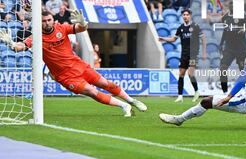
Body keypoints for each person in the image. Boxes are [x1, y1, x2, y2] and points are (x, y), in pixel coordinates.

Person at [0, 11, 147, 117]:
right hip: (65, 76)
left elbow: (80, 29)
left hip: (79, 65)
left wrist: (82, 22)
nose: (46, 23)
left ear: (53, 19)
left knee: (105, 83)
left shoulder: (61, 29)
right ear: (40, 22)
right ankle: (124, 106)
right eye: (43, 21)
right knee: (92, 92)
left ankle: (132, 100)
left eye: (49, 20)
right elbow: (21, 47)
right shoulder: (36, 37)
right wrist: (12, 43)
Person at [159, 9, 206, 103]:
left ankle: (196, 91)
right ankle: (180, 96)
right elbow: (173, 39)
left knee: (190, 74)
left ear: (190, 16)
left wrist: (204, 53)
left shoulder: (195, 26)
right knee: (181, 74)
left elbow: (203, 39)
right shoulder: (180, 28)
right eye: (184, 15)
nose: (185, 16)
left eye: (187, 14)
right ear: (182, 16)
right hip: (184, 54)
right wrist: (163, 38)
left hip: (193, 54)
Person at [219, 1, 246, 93]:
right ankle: (224, 92)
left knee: (242, 69)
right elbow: (225, 31)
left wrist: (245, 29)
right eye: (231, 5)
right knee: (223, 68)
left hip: (241, 47)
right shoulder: (225, 18)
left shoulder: (242, 14)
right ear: (229, 6)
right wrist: (221, 44)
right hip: (229, 48)